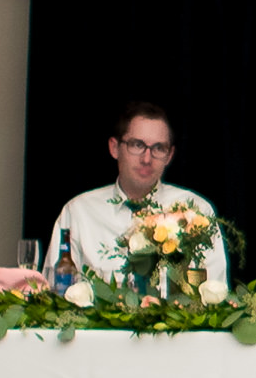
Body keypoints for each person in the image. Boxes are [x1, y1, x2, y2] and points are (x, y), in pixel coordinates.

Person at [49, 101, 225, 289]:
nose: (147, 159)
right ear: (114, 148)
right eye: (137, 145)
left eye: (158, 148)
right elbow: (54, 294)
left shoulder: (196, 212)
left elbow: (215, 291)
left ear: (170, 155)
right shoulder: (78, 212)